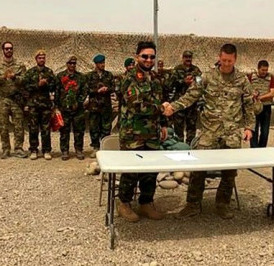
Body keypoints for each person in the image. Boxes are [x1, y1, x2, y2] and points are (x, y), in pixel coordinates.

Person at [163, 43, 258, 219]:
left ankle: (222, 205)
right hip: (209, 132)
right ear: (219, 57)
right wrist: (173, 107)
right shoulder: (205, 77)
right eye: (223, 60)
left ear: (235, 59)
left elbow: (249, 106)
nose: (226, 64)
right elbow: (190, 96)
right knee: (198, 169)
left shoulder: (242, 80)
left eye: (230, 61)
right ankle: (192, 204)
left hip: (232, 133)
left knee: (229, 172)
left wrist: (249, 127)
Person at [116, 41, 168, 222]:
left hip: (152, 134)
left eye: (152, 56)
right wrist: (161, 109)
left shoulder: (155, 78)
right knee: (131, 171)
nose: (149, 59)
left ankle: (146, 203)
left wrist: (163, 123)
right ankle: (124, 203)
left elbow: (160, 99)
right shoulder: (128, 78)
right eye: (145, 56)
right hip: (133, 134)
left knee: (150, 171)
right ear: (137, 56)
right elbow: (137, 105)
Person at [0, 41, 28, 159]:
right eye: (6, 49)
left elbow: (25, 81)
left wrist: (14, 77)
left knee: (18, 125)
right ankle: (5, 149)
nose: (9, 50)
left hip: (16, 99)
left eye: (10, 48)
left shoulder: (20, 66)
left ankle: (19, 148)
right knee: (3, 125)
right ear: (3, 51)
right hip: (3, 99)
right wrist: (3, 76)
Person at [23, 50, 57, 160]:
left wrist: (46, 84)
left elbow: (54, 87)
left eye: (43, 58)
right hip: (33, 105)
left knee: (46, 129)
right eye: (39, 58)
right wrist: (37, 85)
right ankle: (33, 149)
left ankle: (46, 150)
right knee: (33, 128)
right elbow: (26, 87)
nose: (41, 60)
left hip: (45, 105)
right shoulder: (30, 72)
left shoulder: (49, 72)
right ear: (36, 59)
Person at [55, 55, 89, 160]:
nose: (72, 65)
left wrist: (78, 103)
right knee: (64, 131)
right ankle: (65, 150)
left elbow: (84, 91)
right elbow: (57, 92)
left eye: (74, 63)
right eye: (70, 63)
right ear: (67, 64)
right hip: (64, 108)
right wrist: (57, 106)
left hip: (77, 109)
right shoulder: (60, 76)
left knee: (79, 130)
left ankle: (79, 149)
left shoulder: (81, 77)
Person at [167, 50, 202, 143]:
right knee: (178, 127)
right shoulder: (177, 70)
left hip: (192, 104)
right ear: (183, 58)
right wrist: (183, 81)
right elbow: (170, 84)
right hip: (179, 103)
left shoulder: (196, 70)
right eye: (186, 57)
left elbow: (200, 83)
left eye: (189, 57)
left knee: (191, 127)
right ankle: (179, 146)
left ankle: (190, 146)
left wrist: (193, 82)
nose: (188, 59)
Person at [85, 54, 115, 155]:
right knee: (94, 127)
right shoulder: (89, 76)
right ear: (96, 64)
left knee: (106, 127)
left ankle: (104, 148)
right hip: (94, 106)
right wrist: (97, 91)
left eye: (103, 63)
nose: (103, 65)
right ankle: (95, 147)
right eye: (101, 63)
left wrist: (107, 89)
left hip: (106, 106)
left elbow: (113, 87)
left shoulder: (109, 75)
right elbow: (86, 89)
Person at [248, 60, 274, 148]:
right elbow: (246, 90)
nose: (264, 72)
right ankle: (254, 149)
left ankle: (262, 149)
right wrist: (252, 95)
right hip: (254, 107)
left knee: (265, 131)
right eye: (262, 70)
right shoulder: (251, 77)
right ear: (258, 69)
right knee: (254, 129)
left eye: (266, 70)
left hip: (266, 107)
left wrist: (261, 97)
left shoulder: (270, 77)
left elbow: (273, 93)